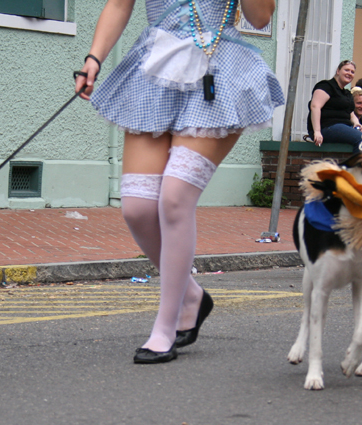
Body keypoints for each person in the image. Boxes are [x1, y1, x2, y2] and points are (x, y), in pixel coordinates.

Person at [75, 0, 284, 364]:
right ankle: (191, 296)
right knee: (138, 208)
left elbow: (261, 17)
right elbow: (120, 4)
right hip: (156, 69)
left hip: (218, 71)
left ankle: (164, 329)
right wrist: (93, 59)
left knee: (174, 198)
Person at [307, 61, 362, 153]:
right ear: (338, 71)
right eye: (346, 70)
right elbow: (315, 107)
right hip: (327, 127)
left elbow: (351, 113)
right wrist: (317, 131)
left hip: (344, 127)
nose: (349, 73)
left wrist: (356, 123)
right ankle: (360, 167)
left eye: (352, 72)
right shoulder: (326, 86)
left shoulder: (346, 93)